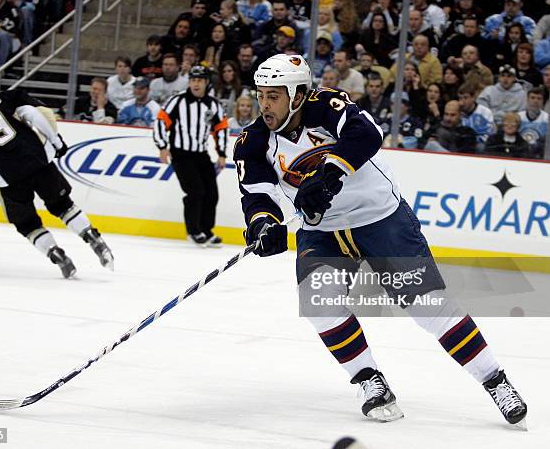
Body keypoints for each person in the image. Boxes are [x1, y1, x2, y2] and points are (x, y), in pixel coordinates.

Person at [234, 54, 527, 426]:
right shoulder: (252, 141)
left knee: (428, 306)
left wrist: (327, 175)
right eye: (261, 95)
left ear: (296, 95)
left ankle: (494, 380)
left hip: (379, 219)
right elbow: (256, 196)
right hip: (323, 233)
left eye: (273, 95)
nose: (264, 104)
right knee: (318, 304)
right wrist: (263, 226)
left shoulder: (325, 105)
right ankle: (370, 380)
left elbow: (367, 134)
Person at [0, 68, 114, 278]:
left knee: (27, 224)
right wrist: (56, 141)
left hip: (7, 179)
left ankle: (57, 254)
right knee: (63, 205)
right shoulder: (11, 97)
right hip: (37, 161)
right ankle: (92, 237)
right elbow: (40, 115)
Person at [154, 66, 228, 247]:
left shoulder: (214, 105)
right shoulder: (177, 101)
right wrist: (163, 147)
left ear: (206, 83)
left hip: (201, 154)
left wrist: (222, 153)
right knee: (195, 191)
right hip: (181, 154)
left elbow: (221, 129)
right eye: (193, 80)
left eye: (200, 80)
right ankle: (194, 230)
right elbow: (161, 121)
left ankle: (206, 230)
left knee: (212, 194)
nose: (196, 84)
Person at [458, 82, 496, 152]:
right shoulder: (457, 111)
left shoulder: (485, 112)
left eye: (465, 98)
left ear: (473, 98)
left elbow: (488, 135)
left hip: (478, 144)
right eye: (460, 98)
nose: (462, 102)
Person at [518, 87, 548, 157]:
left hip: (540, 155)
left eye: (539, 98)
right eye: (532, 98)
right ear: (527, 100)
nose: (535, 101)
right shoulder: (518, 117)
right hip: (520, 153)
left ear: (543, 101)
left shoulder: (547, 119)